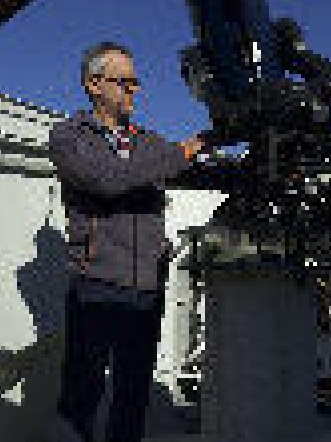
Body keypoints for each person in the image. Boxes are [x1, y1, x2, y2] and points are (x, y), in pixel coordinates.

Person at [48, 41, 228, 442]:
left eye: (136, 82)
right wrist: (187, 149)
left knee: (132, 396)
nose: (135, 90)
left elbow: (186, 167)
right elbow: (108, 180)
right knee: (82, 392)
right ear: (94, 84)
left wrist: (233, 162)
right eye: (125, 82)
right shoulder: (68, 137)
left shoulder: (148, 143)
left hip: (146, 287)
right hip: (95, 283)